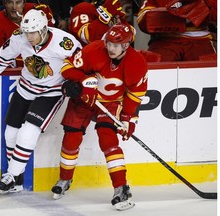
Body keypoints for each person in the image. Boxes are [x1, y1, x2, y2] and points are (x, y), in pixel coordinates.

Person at [0, 9, 82, 194]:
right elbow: (2, 58)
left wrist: (76, 82)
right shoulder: (20, 37)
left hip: (50, 92)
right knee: (10, 133)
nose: (29, 36)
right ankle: (16, 181)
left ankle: (10, 175)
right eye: (26, 31)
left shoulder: (64, 42)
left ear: (43, 29)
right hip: (25, 87)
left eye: (33, 32)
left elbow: (83, 64)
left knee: (28, 133)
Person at [51, 23, 148, 210]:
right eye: (109, 43)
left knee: (108, 139)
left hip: (111, 104)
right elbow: (67, 67)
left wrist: (128, 119)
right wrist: (81, 81)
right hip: (85, 98)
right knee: (71, 137)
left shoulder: (137, 63)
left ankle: (121, 187)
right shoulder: (94, 49)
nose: (110, 48)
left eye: (116, 45)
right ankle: (64, 180)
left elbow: (135, 95)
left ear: (126, 45)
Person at [136, 0, 217, 61]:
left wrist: (205, 7)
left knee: (208, 76)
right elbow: (143, 19)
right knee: (155, 74)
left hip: (201, 41)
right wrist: (173, 16)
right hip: (165, 41)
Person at [0, 0, 55, 67]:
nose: (14, 7)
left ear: (24, 3)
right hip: (13, 70)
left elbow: (52, 40)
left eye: (18, 2)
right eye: (10, 2)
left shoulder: (37, 11)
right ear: (4, 3)